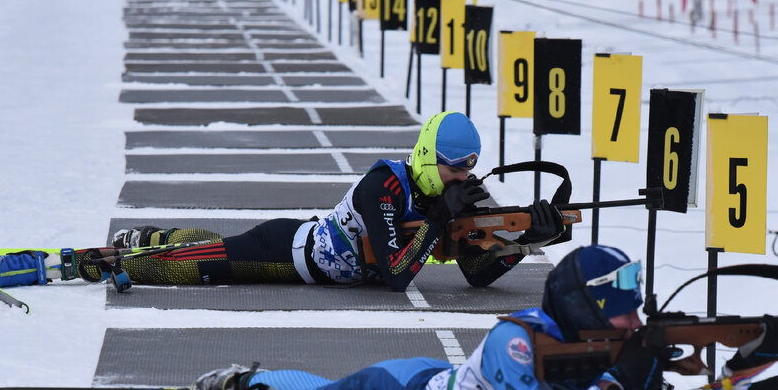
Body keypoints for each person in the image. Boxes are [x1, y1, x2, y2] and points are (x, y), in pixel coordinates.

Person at [0, 245, 778, 390]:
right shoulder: (515, 342)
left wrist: (740, 371)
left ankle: (255, 378)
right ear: (586, 309)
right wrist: (615, 384)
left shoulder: (619, 353)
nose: (635, 325)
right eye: (622, 314)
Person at [60, 110, 564, 291]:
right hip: (288, 253)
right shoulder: (383, 186)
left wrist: (526, 242)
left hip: (306, 251)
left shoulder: (455, 199)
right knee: (193, 267)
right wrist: (437, 218)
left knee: (214, 247)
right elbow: (396, 275)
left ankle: (155, 236)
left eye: (470, 169)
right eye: (455, 168)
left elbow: (476, 273)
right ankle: (105, 262)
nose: (464, 179)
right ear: (430, 158)